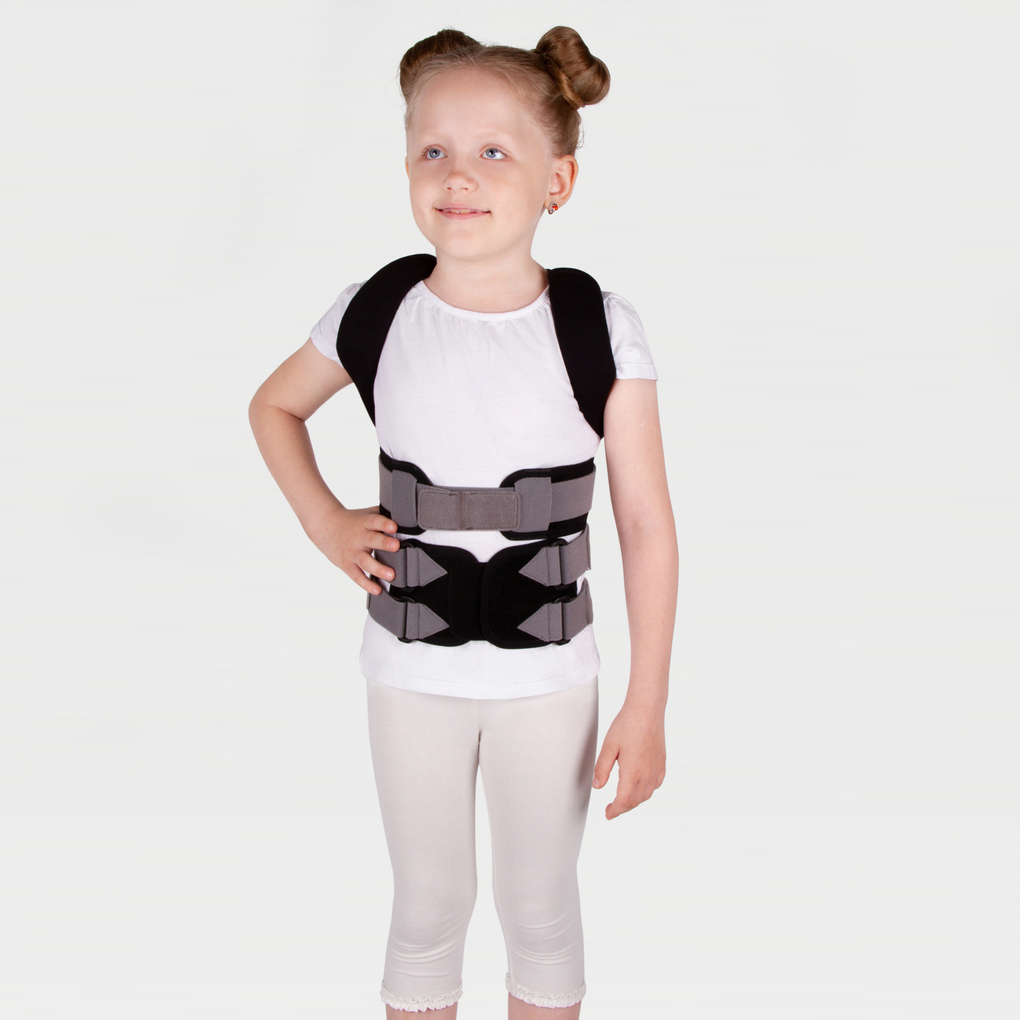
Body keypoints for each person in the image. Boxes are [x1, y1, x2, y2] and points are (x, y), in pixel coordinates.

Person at [248, 25, 678, 1020]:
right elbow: (273, 407)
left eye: (494, 151)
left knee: (542, 914)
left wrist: (647, 705)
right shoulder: (376, 310)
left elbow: (646, 526)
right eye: (433, 149)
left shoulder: (598, 327)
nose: (458, 174)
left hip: (549, 679)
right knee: (428, 909)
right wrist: (324, 521)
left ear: (557, 181)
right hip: (411, 672)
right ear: (406, 165)